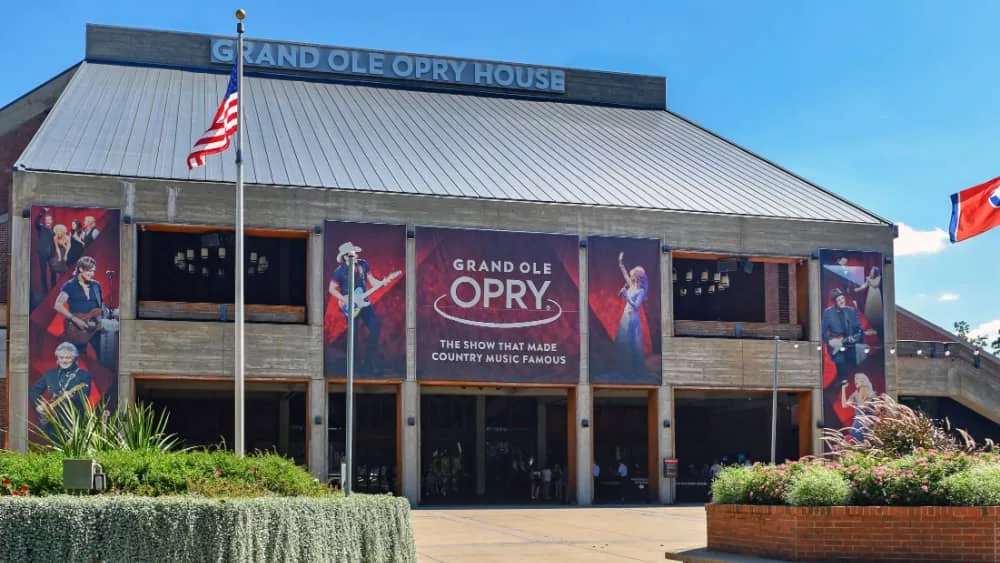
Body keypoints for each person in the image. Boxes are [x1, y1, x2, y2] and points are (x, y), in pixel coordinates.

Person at [328, 241, 400, 375]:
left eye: (355, 253)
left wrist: (383, 283)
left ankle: (368, 362)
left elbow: (372, 281)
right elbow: (331, 289)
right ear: (345, 256)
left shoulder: (363, 265)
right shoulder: (339, 271)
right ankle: (354, 368)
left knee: (376, 326)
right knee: (353, 337)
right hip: (350, 306)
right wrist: (345, 299)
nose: (355, 255)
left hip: (365, 303)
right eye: (352, 253)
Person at [29, 342, 95, 437]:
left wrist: (72, 397)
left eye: (68, 358)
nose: (64, 361)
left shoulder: (84, 375)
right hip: (51, 423)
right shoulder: (50, 374)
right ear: (57, 359)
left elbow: (84, 396)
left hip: (73, 422)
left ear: (75, 358)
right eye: (61, 357)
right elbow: (34, 391)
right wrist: (39, 404)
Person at [53, 256, 105, 358]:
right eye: (89, 271)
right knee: (80, 358)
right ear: (80, 269)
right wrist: (75, 319)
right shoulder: (70, 285)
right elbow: (57, 305)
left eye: (93, 271)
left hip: (95, 327)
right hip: (78, 329)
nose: (92, 274)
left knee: (102, 356)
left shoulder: (96, 285)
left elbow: (100, 307)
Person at [614, 251, 648, 379]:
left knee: (631, 342)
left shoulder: (641, 290)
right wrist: (620, 263)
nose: (631, 277)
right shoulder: (632, 285)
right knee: (623, 341)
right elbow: (624, 275)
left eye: (633, 276)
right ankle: (624, 368)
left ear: (638, 277)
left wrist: (625, 295)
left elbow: (635, 306)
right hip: (626, 316)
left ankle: (631, 370)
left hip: (633, 318)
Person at [821, 288, 864, 383]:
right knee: (841, 364)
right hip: (837, 346)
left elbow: (859, 328)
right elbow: (822, 332)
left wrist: (855, 338)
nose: (842, 301)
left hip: (850, 344)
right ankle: (841, 382)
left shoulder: (851, 311)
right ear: (835, 302)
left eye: (842, 298)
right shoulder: (828, 312)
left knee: (854, 365)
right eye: (839, 300)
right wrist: (830, 341)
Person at [841, 372, 876, 441]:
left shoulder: (872, 395)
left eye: (857, 379)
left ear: (863, 380)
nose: (855, 381)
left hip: (867, 427)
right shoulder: (855, 395)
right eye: (854, 379)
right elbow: (844, 405)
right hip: (856, 427)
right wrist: (843, 389)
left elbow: (875, 412)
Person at [853, 266, 883, 335]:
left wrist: (869, 279)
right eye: (871, 271)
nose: (871, 272)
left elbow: (875, 284)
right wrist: (858, 289)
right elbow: (864, 285)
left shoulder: (878, 277)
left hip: (876, 296)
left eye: (872, 271)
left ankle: (876, 328)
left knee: (875, 311)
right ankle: (870, 326)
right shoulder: (870, 278)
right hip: (870, 296)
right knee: (869, 310)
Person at [34, 210, 56, 293]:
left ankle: (53, 288)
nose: (47, 221)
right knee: (43, 272)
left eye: (49, 219)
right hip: (42, 253)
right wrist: (41, 214)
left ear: (52, 221)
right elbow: (36, 223)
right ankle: (45, 290)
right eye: (46, 219)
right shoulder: (41, 227)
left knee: (53, 271)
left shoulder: (55, 230)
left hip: (52, 254)